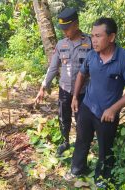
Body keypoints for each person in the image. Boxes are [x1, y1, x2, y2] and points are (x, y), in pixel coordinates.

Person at [68, 17, 125, 188]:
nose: (93, 40)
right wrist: (75, 96)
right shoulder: (92, 55)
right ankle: (77, 169)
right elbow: (81, 73)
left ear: (111, 37)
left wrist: (114, 109)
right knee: (81, 139)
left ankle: (102, 179)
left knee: (105, 148)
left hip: (107, 113)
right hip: (87, 105)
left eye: (98, 36)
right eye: (92, 35)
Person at [35, 8, 92, 156]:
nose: (64, 31)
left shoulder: (90, 42)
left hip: (84, 91)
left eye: (67, 28)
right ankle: (65, 141)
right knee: (63, 117)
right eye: (62, 28)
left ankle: (82, 145)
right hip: (65, 90)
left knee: (82, 120)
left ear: (76, 24)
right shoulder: (61, 44)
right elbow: (53, 68)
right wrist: (43, 87)